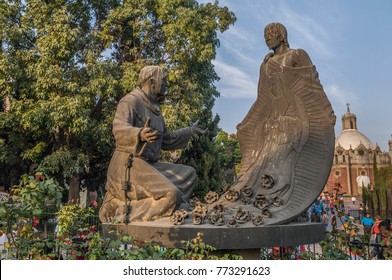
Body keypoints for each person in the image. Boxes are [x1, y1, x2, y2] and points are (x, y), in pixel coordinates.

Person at [213, 22, 335, 225]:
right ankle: (255, 202)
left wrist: (327, 110)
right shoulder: (266, 64)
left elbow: (314, 84)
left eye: (270, 34)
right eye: (264, 35)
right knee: (259, 164)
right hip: (272, 122)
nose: (266, 38)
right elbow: (262, 99)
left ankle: (277, 199)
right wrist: (248, 122)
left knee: (280, 162)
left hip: (293, 121)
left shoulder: (297, 55)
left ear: (281, 35)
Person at [99, 66, 206, 223]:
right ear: (152, 82)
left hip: (149, 165)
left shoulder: (155, 109)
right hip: (128, 165)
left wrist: (189, 131)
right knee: (172, 194)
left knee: (189, 174)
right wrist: (139, 134)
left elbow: (167, 139)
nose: (165, 85)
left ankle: (172, 207)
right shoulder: (131, 101)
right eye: (163, 81)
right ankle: (121, 210)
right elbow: (119, 128)